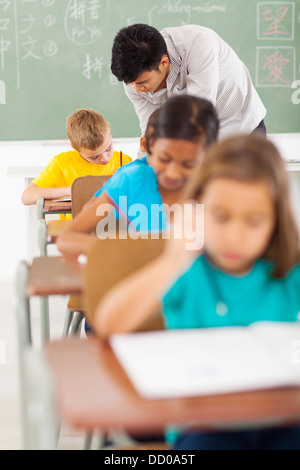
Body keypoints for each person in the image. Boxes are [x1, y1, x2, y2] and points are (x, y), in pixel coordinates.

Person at [93, 134, 300, 450]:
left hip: (284, 419)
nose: (235, 235)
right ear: (197, 209)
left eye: (254, 221)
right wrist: (173, 260)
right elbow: (108, 324)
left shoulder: (290, 269)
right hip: (204, 427)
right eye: (221, 216)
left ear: (276, 220)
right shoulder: (188, 269)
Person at [57, 95, 219, 256]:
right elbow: (68, 238)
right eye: (164, 159)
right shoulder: (133, 179)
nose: (173, 173)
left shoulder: (219, 184)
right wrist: (125, 248)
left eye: (188, 164)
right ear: (146, 144)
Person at [111, 23, 267, 154]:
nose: (137, 89)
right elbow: (151, 130)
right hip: (199, 142)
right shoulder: (134, 79)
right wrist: (140, 168)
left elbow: (197, 114)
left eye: (142, 82)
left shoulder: (198, 44)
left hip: (242, 128)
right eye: (131, 83)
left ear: (164, 63)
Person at [21, 108, 132, 214]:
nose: (105, 158)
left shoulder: (124, 161)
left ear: (109, 130)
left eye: (108, 148)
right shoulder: (63, 163)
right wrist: (73, 191)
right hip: (74, 227)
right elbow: (27, 197)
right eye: (94, 157)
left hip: (115, 228)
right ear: (74, 147)